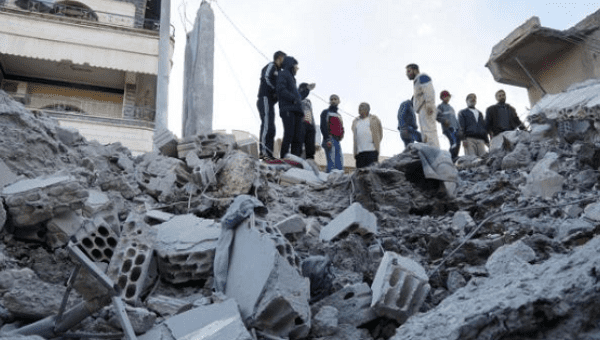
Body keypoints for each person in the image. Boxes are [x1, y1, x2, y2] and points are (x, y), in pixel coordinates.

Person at [257, 51, 286, 160]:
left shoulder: (280, 72)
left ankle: (269, 153)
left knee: (272, 128)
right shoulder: (271, 66)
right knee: (266, 125)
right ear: (279, 58)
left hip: (271, 102)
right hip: (265, 98)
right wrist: (275, 90)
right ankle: (263, 151)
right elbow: (266, 78)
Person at [276, 56, 304, 159]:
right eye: (296, 66)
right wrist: (293, 99)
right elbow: (281, 89)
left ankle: (295, 159)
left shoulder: (293, 79)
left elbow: (298, 97)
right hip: (288, 109)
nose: (297, 69)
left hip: (296, 110)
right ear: (291, 65)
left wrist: (304, 92)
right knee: (289, 134)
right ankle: (284, 158)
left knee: (297, 137)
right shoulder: (283, 74)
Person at [406, 63, 439, 148]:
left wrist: (429, 105)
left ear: (415, 70)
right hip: (422, 109)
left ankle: (434, 151)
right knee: (425, 133)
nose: (407, 74)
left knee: (429, 131)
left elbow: (429, 90)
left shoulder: (422, 77)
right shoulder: (417, 81)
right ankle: (430, 151)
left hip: (426, 107)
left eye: (409, 71)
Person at [352, 102, 383, 169]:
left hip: (371, 152)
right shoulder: (356, 121)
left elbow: (380, 133)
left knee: (371, 173)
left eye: (362, 106)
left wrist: (375, 143)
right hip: (359, 153)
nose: (360, 108)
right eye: (359, 106)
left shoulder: (374, 119)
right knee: (360, 174)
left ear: (368, 109)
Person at [320, 94, 344, 172]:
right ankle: (330, 180)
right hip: (329, 139)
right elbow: (323, 126)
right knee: (332, 163)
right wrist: (327, 139)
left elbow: (341, 127)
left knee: (339, 163)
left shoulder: (339, 115)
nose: (333, 101)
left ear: (339, 101)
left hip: (337, 141)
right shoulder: (326, 112)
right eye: (331, 99)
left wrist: (342, 135)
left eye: (335, 99)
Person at [436, 90, 461, 160]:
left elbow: (455, 119)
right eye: (445, 97)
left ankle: (454, 157)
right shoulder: (440, 107)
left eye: (448, 97)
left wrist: (459, 128)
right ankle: (449, 158)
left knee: (458, 142)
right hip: (448, 128)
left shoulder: (451, 108)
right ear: (442, 98)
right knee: (453, 142)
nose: (447, 98)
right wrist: (444, 120)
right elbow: (436, 116)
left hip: (456, 128)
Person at [298, 82, 317, 160]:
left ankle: (310, 160)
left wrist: (314, 127)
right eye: (305, 89)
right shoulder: (297, 97)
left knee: (310, 145)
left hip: (309, 123)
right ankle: (298, 159)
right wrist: (306, 88)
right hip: (300, 122)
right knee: (299, 144)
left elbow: (311, 113)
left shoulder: (308, 101)